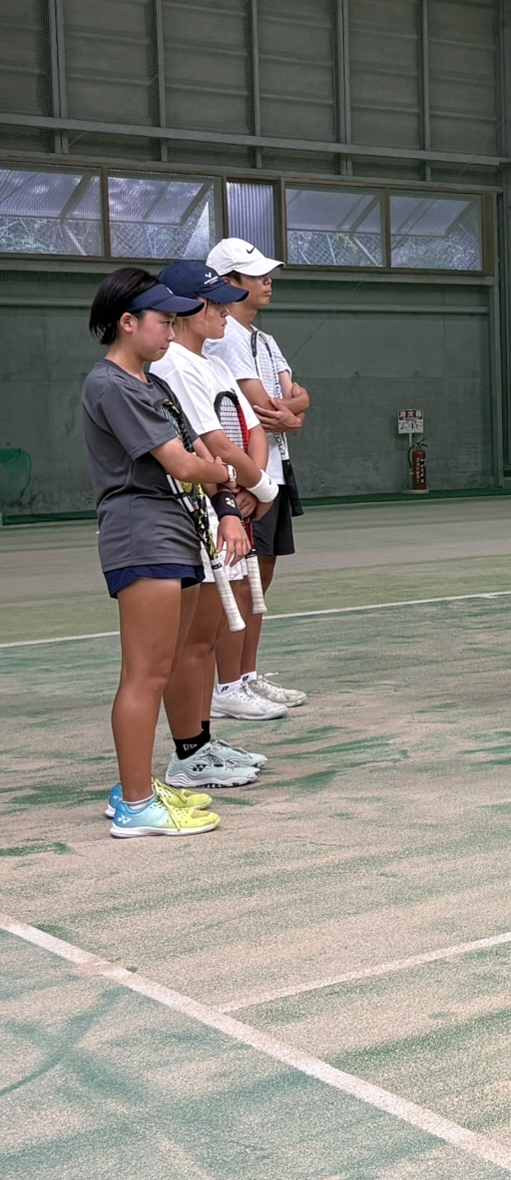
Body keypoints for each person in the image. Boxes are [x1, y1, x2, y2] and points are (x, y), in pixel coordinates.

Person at [83, 269, 229, 837]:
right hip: (141, 533)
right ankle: (135, 806)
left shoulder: (152, 384)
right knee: (145, 674)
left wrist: (210, 474)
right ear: (128, 322)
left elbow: (195, 452)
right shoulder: (111, 385)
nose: (171, 332)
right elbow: (184, 462)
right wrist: (224, 474)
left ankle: (136, 786)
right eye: (163, 322)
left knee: (161, 668)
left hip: (174, 530)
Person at [149, 260, 281, 789]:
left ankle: (201, 741)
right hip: (191, 515)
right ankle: (188, 754)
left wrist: (253, 489)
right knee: (191, 643)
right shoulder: (175, 365)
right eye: (215, 303)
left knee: (204, 639)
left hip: (220, 509)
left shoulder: (215, 364)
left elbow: (250, 429)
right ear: (186, 310)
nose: (226, 312)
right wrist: (258, 491)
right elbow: (214, 445)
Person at [205, 237, 309, 711]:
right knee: (240, 585)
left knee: (259, 584)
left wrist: (293, 411)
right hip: (247, 477)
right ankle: (228, 687)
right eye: (256, 276)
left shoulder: (264, 340)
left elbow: (298, 399)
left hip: (275, 472)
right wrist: (291, 410)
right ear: (229, 283)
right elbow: (262, 407)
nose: (268, 282)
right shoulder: (224, 336)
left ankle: (246, 676)